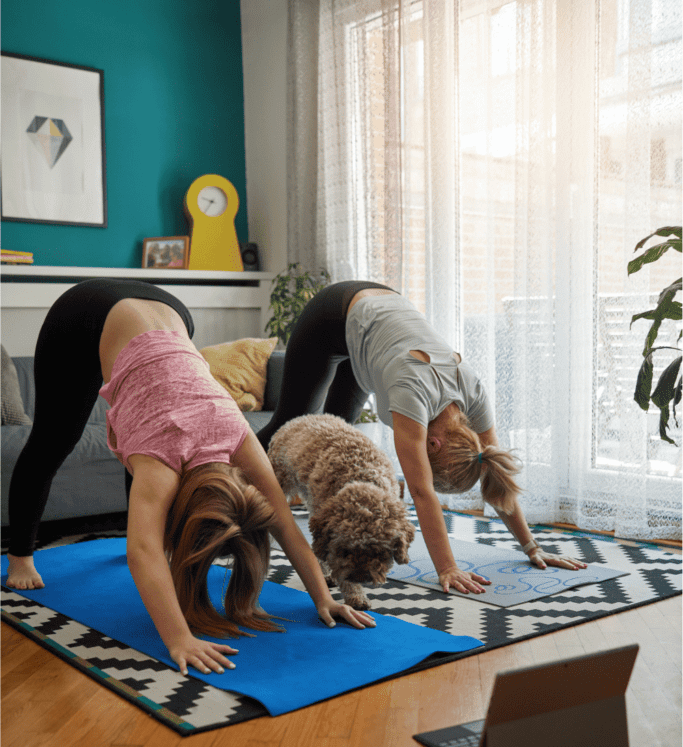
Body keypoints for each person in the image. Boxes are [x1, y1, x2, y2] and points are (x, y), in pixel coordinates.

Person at [6, 279, 374, 677]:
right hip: (84, 312)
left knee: (144, 467)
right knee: (53, 440)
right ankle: (20, 558)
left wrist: (323, 599)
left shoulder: (239, 438)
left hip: (172, 312)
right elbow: (142, 554)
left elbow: (283, 522)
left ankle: (139, 522)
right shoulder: (160, 465)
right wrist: (178, 638)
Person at [256, 282, 586, 595]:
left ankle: (333, 548)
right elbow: (421, 491)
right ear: (433, 445)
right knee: (294, 424)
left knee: (335, 433)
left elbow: (498, 475)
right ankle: (220, 478)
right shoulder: (411, 397)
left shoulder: (471, 393)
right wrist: (448, 568)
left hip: (374, 327)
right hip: (333, 315)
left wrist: (531, 546)